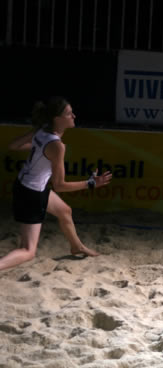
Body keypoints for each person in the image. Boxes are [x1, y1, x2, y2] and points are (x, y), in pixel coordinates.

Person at [0, 97, 112, 272]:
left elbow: (14, 146)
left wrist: (36, 139)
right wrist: (90, 183)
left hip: (28, 185)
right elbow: (59, 186)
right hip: (31, 194)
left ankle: (77, 247)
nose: (74, 116)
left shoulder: (42, 131)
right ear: (57, 118)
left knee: (65, 211)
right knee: (28, 251)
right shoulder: (56, 145)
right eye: (68, 113)